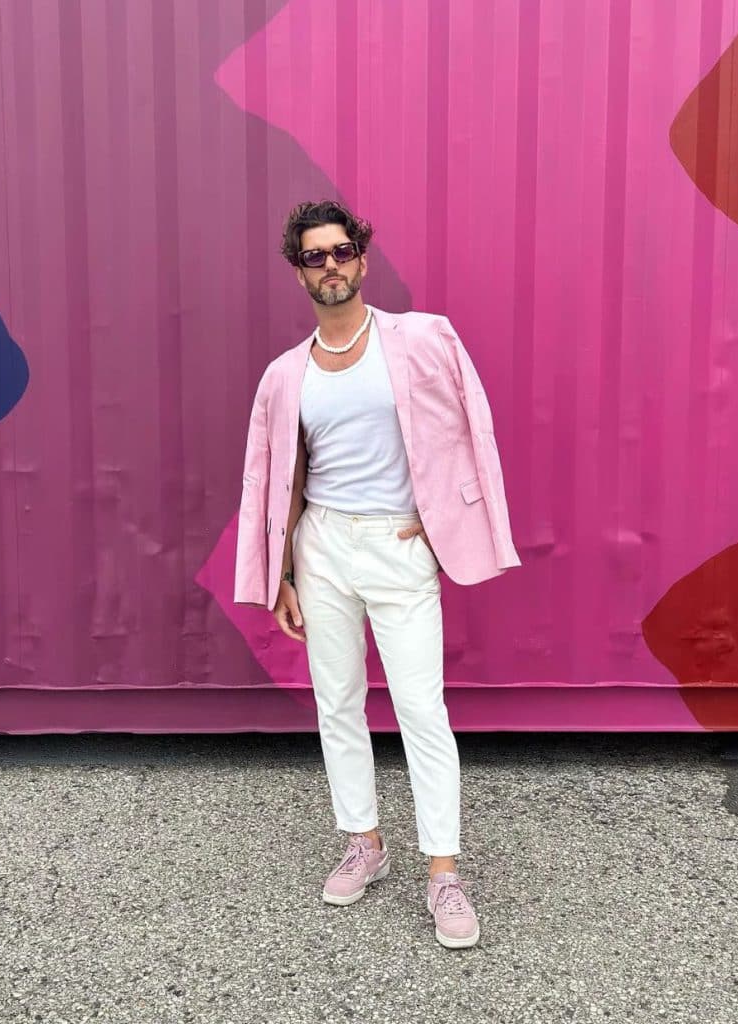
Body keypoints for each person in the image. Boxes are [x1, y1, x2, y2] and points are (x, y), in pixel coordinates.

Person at [234, 199, 521, 949]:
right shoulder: (285, 375)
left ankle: (444, 871)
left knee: (422, 707)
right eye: (313, 256)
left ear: (361, 259)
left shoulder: (423, 339)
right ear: (298, 273)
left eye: (341, 251)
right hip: (323, 547)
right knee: (337, 702)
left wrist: (443, 514)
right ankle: (364, 841)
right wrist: (283, 572)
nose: (329, 266)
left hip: (398, 545)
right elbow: (282, 477)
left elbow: (471, 428)